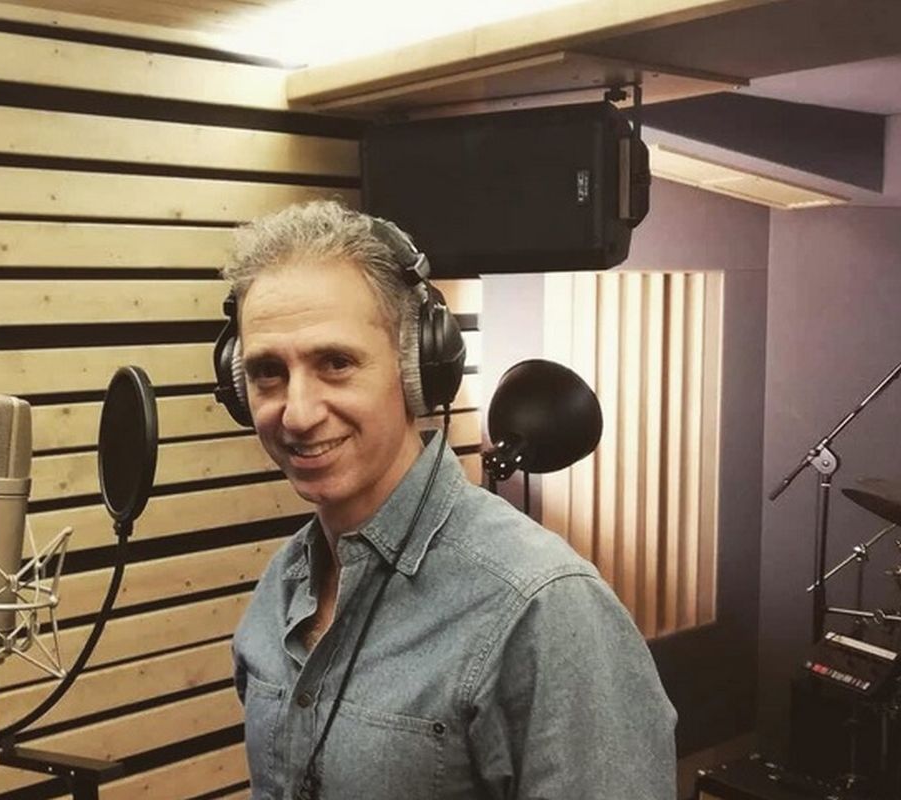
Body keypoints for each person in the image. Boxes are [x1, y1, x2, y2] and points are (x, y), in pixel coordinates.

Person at [215, 200, 676, 799]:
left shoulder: (543, 606)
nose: (298, 413)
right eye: (268, 372)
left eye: (336, 363)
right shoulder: (277, 593)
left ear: (417, 369)